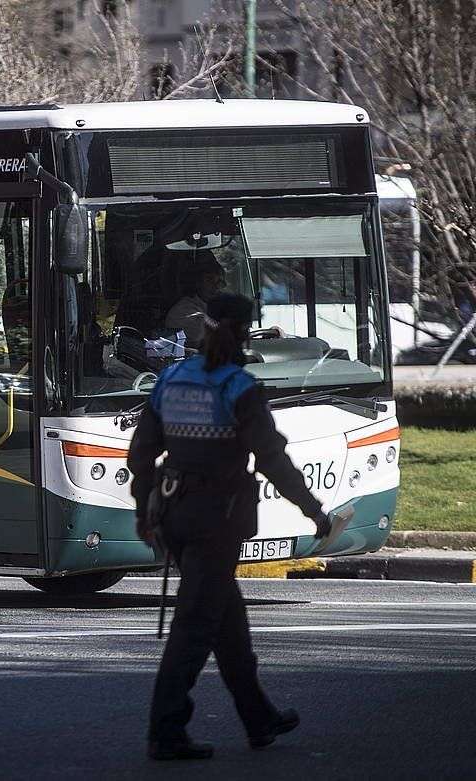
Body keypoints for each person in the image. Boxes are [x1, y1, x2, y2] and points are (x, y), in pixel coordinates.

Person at [127, 292, 333, 761]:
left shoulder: (171, 378)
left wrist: (145, 513)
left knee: (227, 622)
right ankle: (166, 731)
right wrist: (314, 511)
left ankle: (259, 719)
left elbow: (140, 455)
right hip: (215, 521)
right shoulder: (238, 387)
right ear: (244, 332)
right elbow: (273, 460)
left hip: (176, 515)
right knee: (196, 626)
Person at [165, 254, 226, 349]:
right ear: (197, 283)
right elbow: (202, 332)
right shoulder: (183, 309)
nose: (215, 286)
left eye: (219, 282)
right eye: (209, 280)